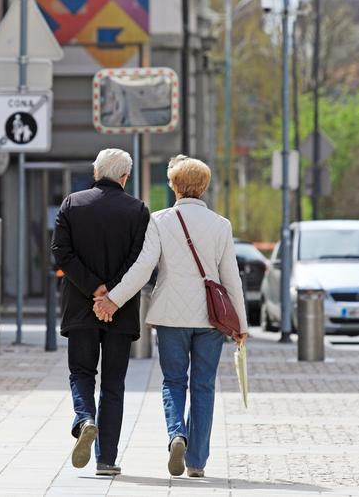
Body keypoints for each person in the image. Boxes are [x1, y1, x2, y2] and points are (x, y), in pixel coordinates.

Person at [93, 155, 247, 478]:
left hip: (170, 317)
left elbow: (142, 269)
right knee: (203, 386)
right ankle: (196, 462)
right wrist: (241, 326)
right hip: (211, 319)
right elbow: (231, 278)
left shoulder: (160, 221)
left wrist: (113, 300)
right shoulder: (221, 225)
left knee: (174, 381)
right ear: (204, 186)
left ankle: (177, 434)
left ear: (174, 185)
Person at [51, 148, 150, 476]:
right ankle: (106, 459)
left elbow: (61, 252)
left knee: (81, 372)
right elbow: (139, 260)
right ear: (125, 177)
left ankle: (85, 418)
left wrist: (95, 289)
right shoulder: (138, 210)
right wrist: (112, 296)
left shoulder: (72, 204)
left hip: (81, 306)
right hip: (120, 312)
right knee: (113, 385)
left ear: (97, 172)